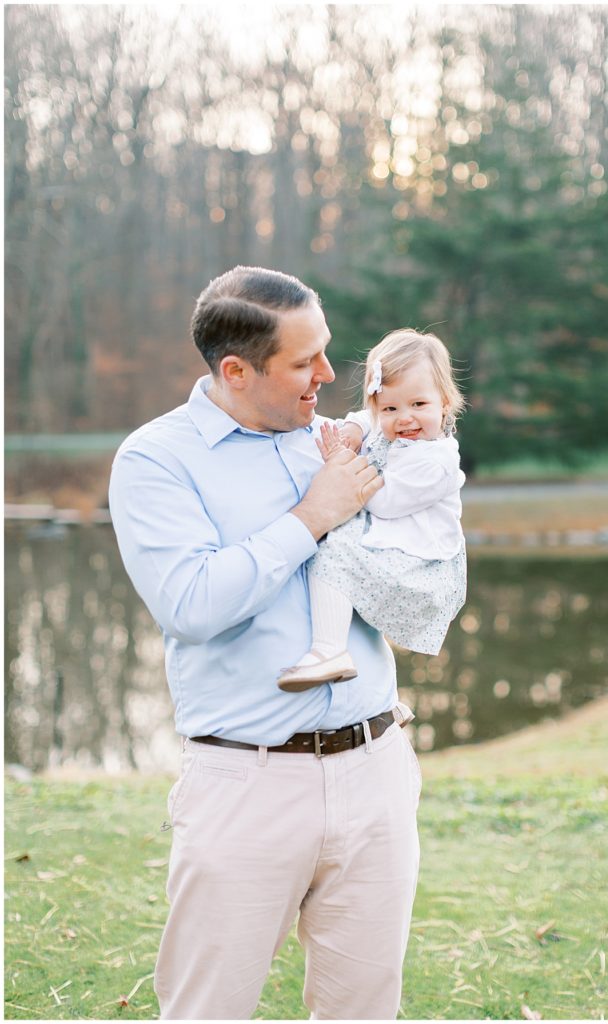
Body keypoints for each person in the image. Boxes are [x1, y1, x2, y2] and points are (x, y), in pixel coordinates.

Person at [108, 266, 422, 1021]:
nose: (326, 374)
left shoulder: (335, 440)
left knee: (364, 1010)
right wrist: (311, 517)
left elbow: (405, 586)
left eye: (326, 351)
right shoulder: (155, 460)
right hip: (248, 784)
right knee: (208, 1008)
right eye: (304, 362)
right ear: (236, 371)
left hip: (376, 769)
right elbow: (190, 605)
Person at [278, 328, 467, 692]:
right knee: (352, 574)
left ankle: (329, 649)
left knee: (334, 551)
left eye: (418, 405)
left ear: (445, 402)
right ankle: (375, 689)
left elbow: (382, 502)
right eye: (390, 408)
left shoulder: (435, 461)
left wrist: (342, 460)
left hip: (420, 559)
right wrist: (352, 428)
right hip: (395, 542)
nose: (405, 419)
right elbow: (366, 419)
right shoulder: (390, 426)